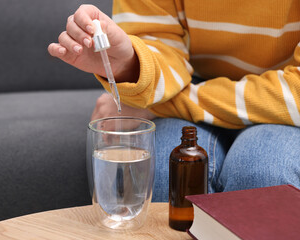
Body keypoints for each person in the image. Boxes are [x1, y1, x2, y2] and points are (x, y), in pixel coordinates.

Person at [48, 0, 300, 201]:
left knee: (265, 176)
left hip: (286, 106)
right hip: (191, 81)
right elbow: (159, 45)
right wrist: (131, 63)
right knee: (164, 172)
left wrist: (161, 105)